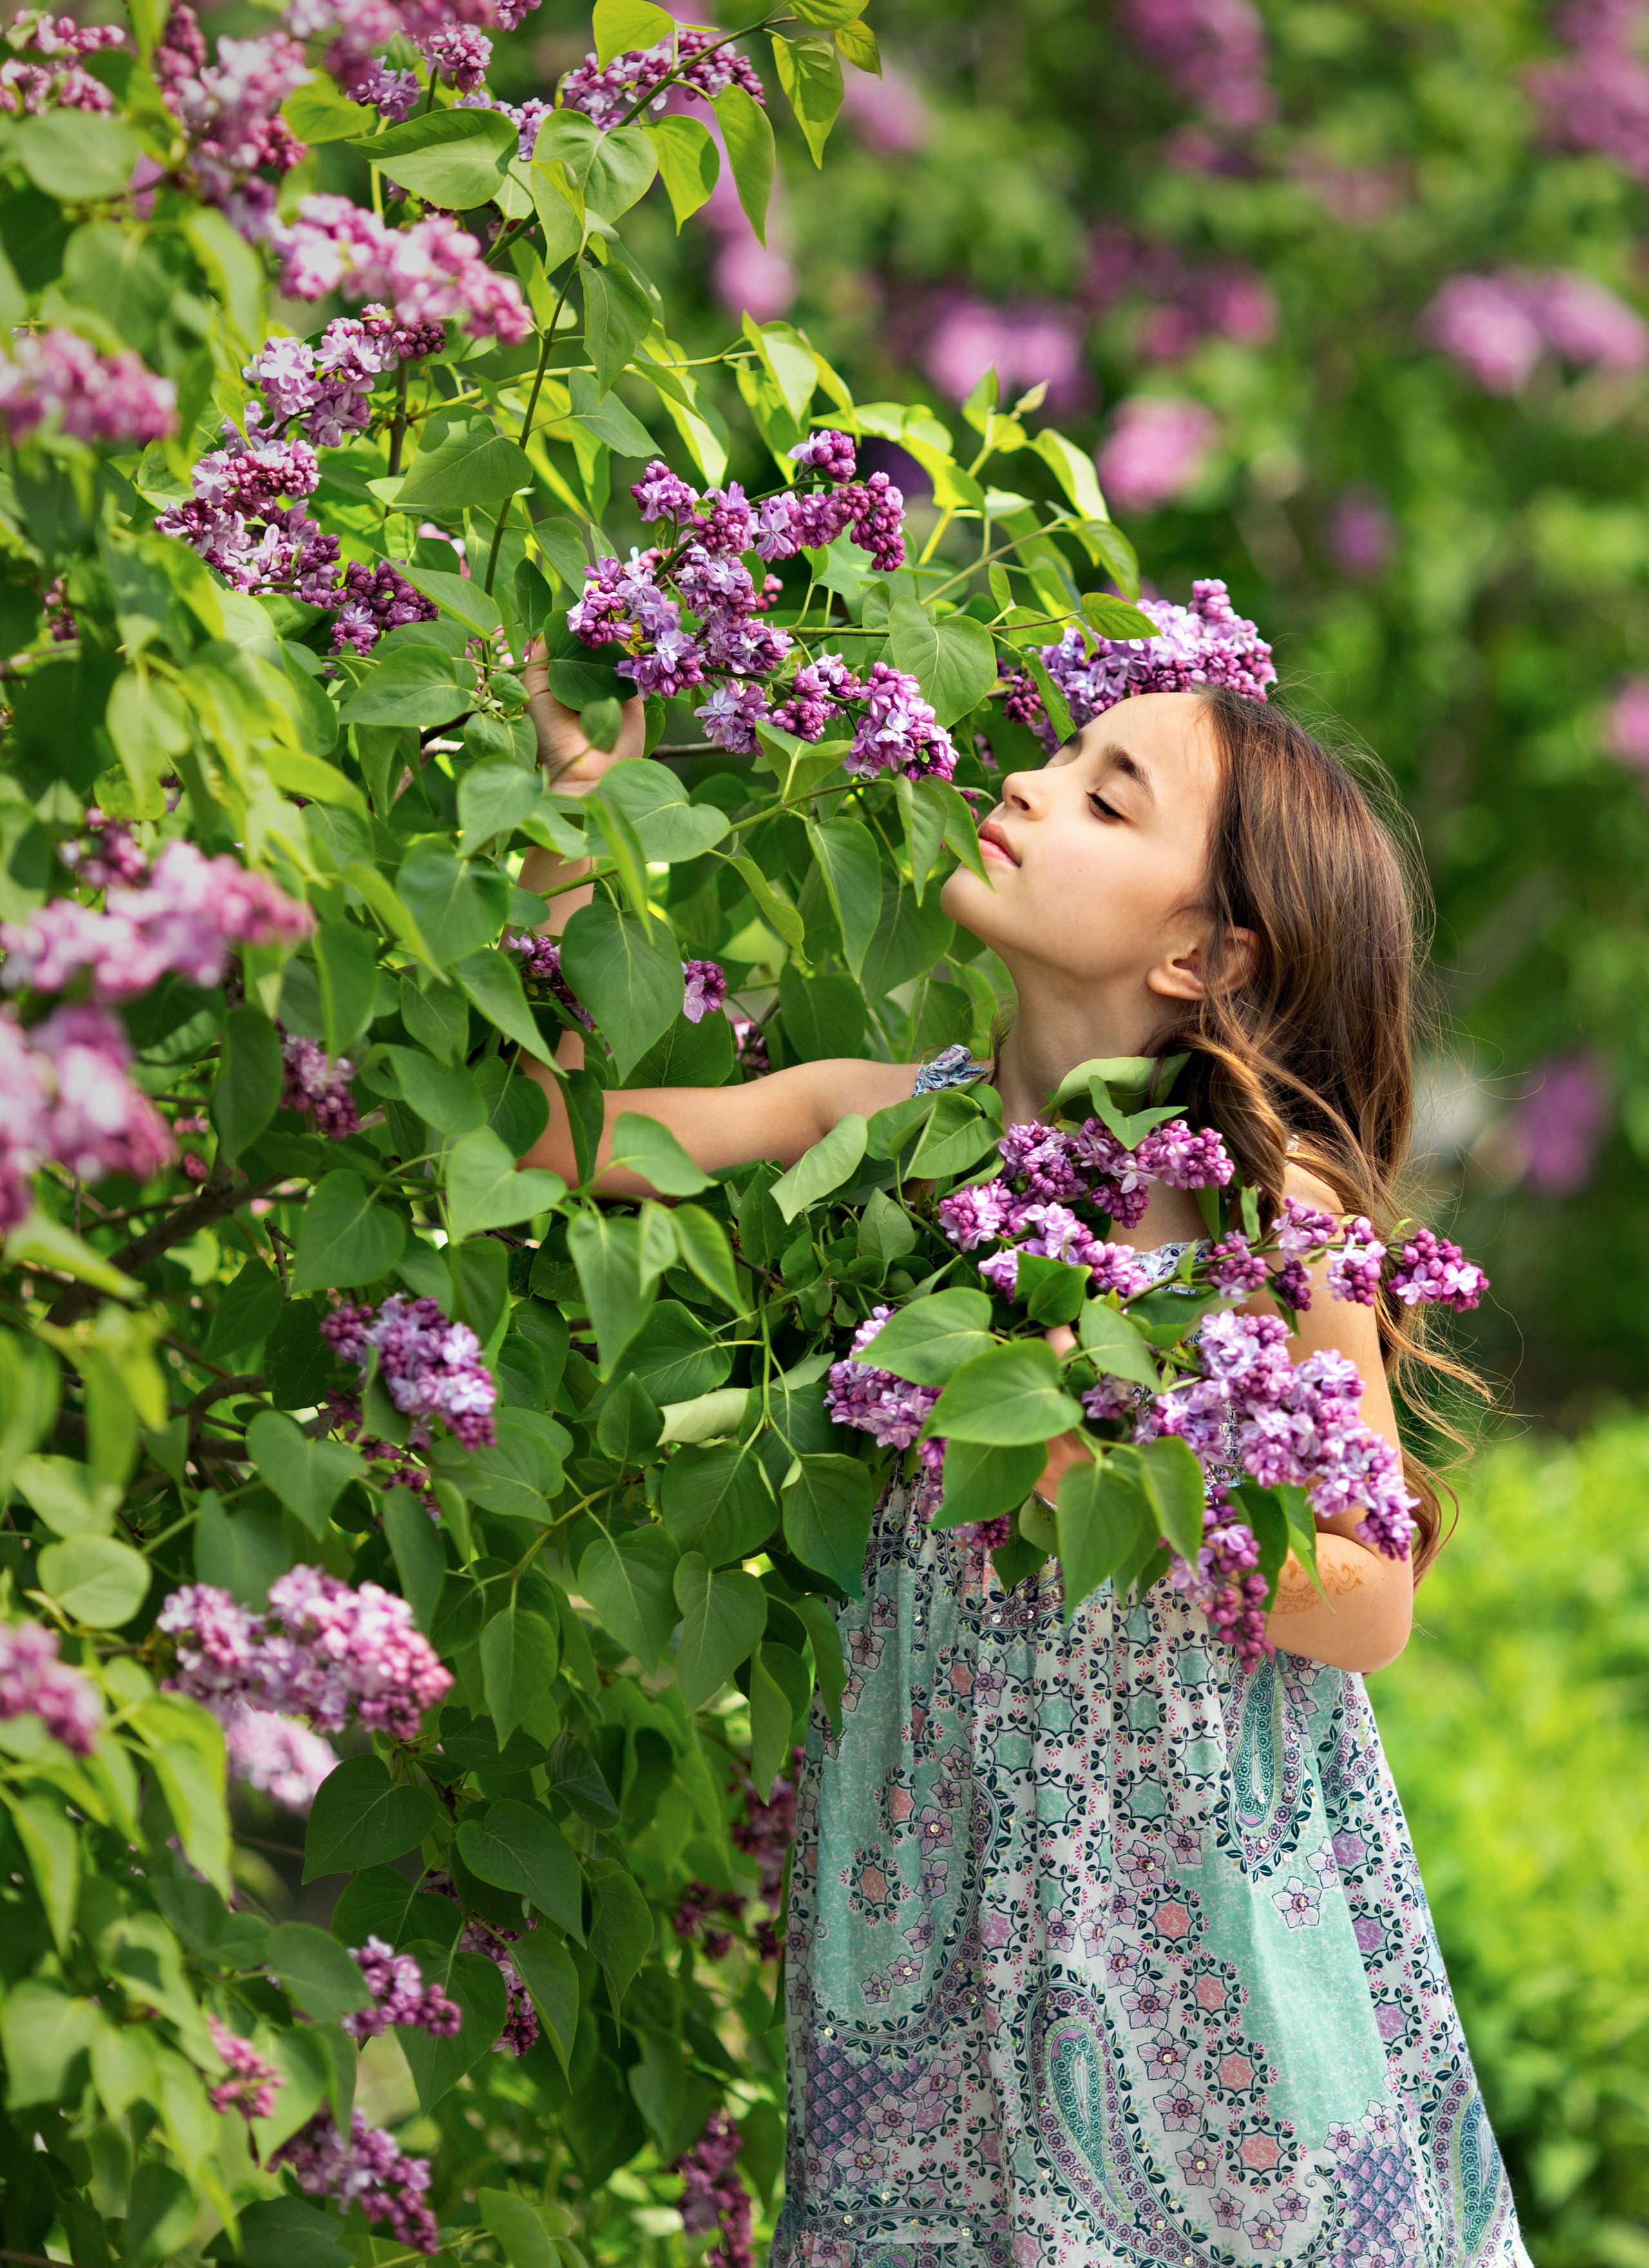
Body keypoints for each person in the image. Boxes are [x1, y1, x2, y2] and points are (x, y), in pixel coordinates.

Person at [517, 664, 1529, 2268]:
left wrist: (1097, 1458)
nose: (1036, 782)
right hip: (927, 1918)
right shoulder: (877, 1136)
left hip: (1200, 1942)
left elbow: (1365, 1600)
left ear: (1199, 953)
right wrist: (568, 850)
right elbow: (545, 1149)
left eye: (1107, 791)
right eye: (1063, 751)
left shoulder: (1277, 1225)